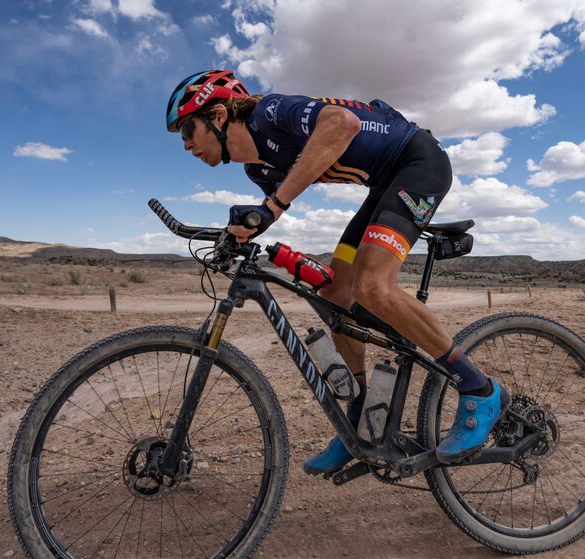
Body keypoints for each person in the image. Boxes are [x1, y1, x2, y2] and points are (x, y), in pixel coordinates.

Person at [166, 69, 510, 475]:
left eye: (188, 128)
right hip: (384, 187)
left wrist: (271, 208)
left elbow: (341, 123)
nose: (186, 144)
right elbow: (272, 205)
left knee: (371, 286)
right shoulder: (256, 169)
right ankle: (364, 419)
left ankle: (479, 389)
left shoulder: (270, 112)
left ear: (219, 116)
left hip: (419, 164)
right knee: (336, 296)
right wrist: (239, 232)